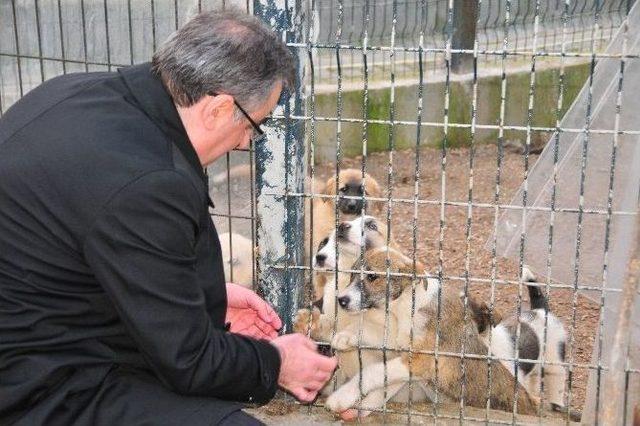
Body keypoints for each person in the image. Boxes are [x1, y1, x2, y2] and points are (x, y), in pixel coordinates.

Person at [0, 9, 337, 426]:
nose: (246, 141)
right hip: (37, 385)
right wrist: (276, 362)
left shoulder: (75, 94)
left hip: (44, 328)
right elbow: (189, 361)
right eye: (255, 124)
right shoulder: (149, 181)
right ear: (217, 109)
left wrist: (201, 295)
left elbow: (90, 254)